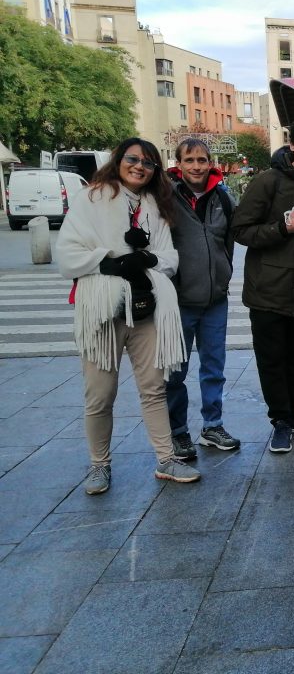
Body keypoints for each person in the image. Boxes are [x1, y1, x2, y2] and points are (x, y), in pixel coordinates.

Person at [55, 138, 198, 494]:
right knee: (100, 394)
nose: (139, 167)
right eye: (133, 159)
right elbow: (68, 254)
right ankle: (98, 465)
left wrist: (147, 258)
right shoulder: (92, 198)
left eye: (148, 163)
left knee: (153, 389)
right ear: (119, 160)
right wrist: (111, 261)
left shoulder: (155, 204)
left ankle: (166, 459)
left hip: (147, 306)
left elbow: (170, 257)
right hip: (103, 306)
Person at [232, 116, 294, 453]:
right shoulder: (267, 182)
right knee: (271, 359)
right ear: (292, 144)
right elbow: (241, 230)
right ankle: (280, 421)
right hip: (268, 291)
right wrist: (281, 229)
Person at [165, 139, 241, 460]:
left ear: (211, 163)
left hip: (215, 301)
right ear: (179, 164)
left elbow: (229, 242)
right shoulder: (166, 198)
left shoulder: (222, 197)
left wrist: (222, 277)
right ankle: (178, 433)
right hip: (179, 303)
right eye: (190, 160)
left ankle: (213, 425)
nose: (196, 166)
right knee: (175, 373)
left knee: (214, 368)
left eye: (202, 160)